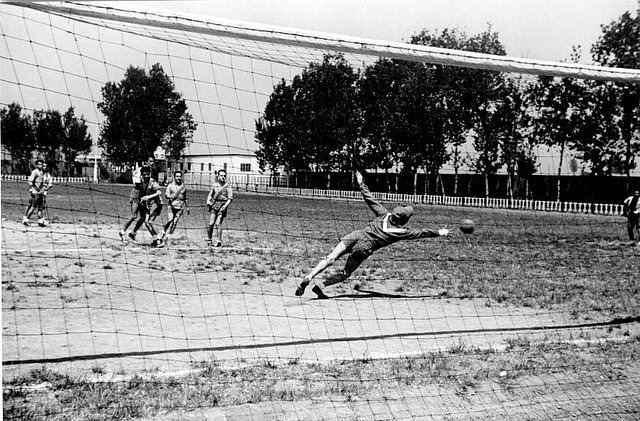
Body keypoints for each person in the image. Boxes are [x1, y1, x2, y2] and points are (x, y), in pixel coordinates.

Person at [295, 171, 450, 299]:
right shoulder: (402, 232)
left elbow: (369, 198)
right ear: (405, 219)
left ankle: (308, 277)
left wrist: (361, 182)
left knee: (330, 258)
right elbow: (422, 233)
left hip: (355, 235)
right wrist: (441, 232)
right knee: (345, 273)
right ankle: (320, 286)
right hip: (364, 247)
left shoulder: (384, 214)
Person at [119, 165, 165, 247]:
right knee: (135, 217)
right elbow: (135, 189)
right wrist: (131, 197)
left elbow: (159, 192)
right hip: (140, 199)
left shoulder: (152, 181)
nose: (146, 176)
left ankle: (155, 238)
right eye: (144, 174)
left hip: (149, 202)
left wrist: (147, 197)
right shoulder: (139, 180)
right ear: (141, 174)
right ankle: (122, 232)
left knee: (145, 220)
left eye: (148, 174)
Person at [119, 157, 155, 242]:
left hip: (144, 195)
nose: (152, 163)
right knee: (134, 215)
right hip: (137, 194)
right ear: (147, 161)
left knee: (142, 218)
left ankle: (133, 233)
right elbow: (137, 184)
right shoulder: (140, 170)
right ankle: (122, 231)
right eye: (150, 161)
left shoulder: (151, 171)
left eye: (153, 161)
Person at [159, 170, 189, 243]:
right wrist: (169, 197)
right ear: (174, 177)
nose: (178, 178)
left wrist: (187, 207)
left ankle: (169, 235)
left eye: (180, 176)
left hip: (180, 207)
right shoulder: (170, 186)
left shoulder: (183, 186)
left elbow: (185, 197)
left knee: (175, 222)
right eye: (177, 176)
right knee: (170, 220)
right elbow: (166, 195)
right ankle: (163, 232)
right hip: (171, 206)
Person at [206, 169, 233, 247]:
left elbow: (230, 199)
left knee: (218, 223)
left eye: (224, 176)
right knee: (211, 223)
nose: (223, 177)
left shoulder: (228, 186)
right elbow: (210, 194)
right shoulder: (214, 185)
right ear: (218, 176)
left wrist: (225, 206)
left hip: (223, 205)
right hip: (214, 204)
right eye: (221, 175)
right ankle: (209, 239)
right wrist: (208, 200)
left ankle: (218, 241)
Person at [22, 159, 49, 227]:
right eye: (39, 164)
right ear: (37, 165)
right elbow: (29, 181)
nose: (40, 165)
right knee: (33, 206)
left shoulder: (42, 172)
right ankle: (26, 220)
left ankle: (40, 221)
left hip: (41, 192)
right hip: (36, 192)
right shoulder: (35, 172)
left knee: (40, 207)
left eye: (41, 164)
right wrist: (32, 189)